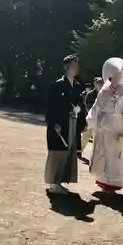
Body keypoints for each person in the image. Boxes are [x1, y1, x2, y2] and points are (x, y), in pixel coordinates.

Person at [86, 57, 123, 192]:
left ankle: (116, 180)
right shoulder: (104, 92)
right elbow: (97, 108)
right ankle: (104, 180)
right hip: (106, 128)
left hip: (120, 126)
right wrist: (95, 121)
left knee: (118, 154)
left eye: (119, 75)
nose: (117, 78)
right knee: (105, 154)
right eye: (115, 75)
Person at [44, 54, 85, 194]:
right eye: (74, 64)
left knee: (68, 151)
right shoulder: (57, 85)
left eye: (77, 64)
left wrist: (80, 113)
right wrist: (53, 123)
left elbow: (80, 103)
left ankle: (60, 181)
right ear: (67, 67)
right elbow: (51, 106)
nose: (77, 67)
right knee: (58, 152)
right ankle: (54, 184)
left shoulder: (78, 86)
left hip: (72, 123)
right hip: (59, 124)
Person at [81, 77, 104, 152]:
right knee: (86, 137)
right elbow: (87, 107)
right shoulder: (90, 94)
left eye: (101, 83)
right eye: (98, 83)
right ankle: (79, 151)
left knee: (97, 139)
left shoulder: (104, 94)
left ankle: (94, 156)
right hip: (90, 119)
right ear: (95, 84)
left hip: (100, 121)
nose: (100, 84)